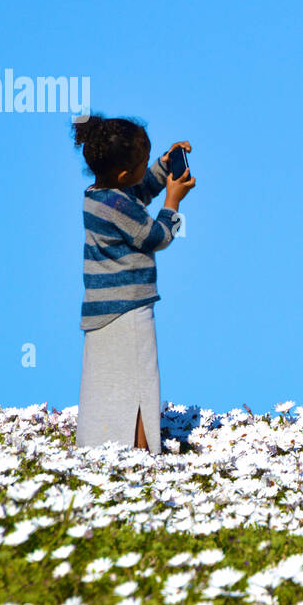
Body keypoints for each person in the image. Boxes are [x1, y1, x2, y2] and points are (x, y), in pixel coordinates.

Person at [73, 113, 195, 454]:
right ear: (124, 173)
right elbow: (155, 236)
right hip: (129, 307)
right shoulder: (117, 204)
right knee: (140, 384)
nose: (147, 167)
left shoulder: (99, 196)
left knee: (107, 383)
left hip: (101, 308)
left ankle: (101, 447)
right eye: (144, 162)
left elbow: (137, 192)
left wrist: (162, 167)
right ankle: (141, 455)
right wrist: (173, 201)